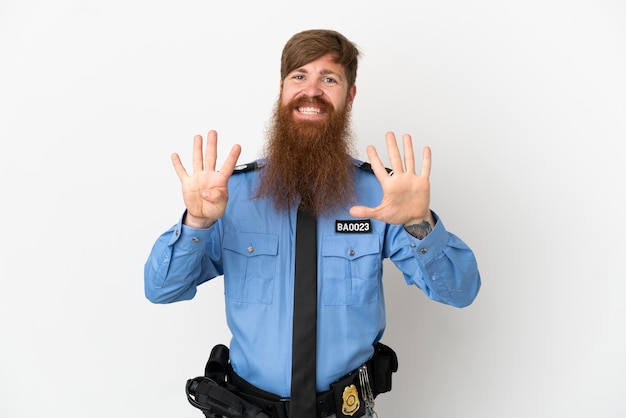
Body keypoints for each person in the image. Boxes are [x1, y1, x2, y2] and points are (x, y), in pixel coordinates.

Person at [145, 29, 481, 418]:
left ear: (349, 96)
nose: (312, 90)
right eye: (299, 76)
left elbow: (460, 292)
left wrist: (420, 224)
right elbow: (161, 290)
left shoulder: (382, 196)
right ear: (282, 89)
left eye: (329, 79)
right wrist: (197, 222)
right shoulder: (228, 196)